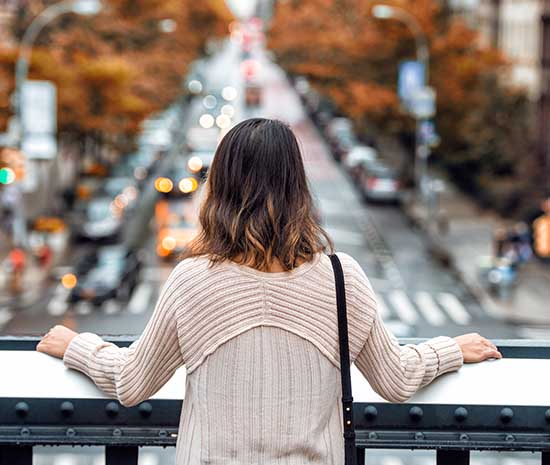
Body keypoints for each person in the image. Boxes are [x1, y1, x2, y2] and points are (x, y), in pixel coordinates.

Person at [38, 118, 501, 465]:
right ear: (298, 187)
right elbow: (396, 379)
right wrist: (451, 349)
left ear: (218, 188)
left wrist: (76, 346)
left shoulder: (193, 278)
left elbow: (132, 383)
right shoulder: (342, 278)